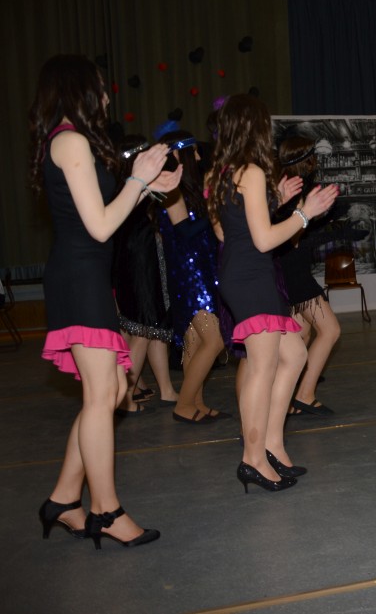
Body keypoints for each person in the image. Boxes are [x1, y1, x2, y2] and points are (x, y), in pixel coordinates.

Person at [30, 54, 180, 548]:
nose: (107, 98)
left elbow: (103, 215)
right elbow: (98, 227)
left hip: (87, 275)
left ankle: (63, 499)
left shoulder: (72, 140)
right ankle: (106, 510)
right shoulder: (70, 140)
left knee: (112, 391)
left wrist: (146, 187)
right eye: (100, 87)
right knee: (102, 395)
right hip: (78, 277)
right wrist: (137, 178)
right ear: (78, 88)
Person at [206, 94, 339, 492]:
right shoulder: (250, 171)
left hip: (241, 273)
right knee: (262, 368)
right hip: (252, 276)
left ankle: (273, 445)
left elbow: (226, 232)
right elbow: (263, 240)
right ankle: (252, 458)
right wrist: (304, 213)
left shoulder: (218, 173)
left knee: (294, 353)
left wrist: (276, 201)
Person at [157, 128, 231, 424]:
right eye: (194, 152)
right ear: (179, 154)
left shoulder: (185, 188)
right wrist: (214, 212)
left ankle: (195, 404)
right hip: (191, 274)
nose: (199, 157)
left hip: (199, 268)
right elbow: (184, 231)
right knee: (215, 340)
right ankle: (184, 404)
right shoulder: (170, 187)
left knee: (196, 341)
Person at [276, 135, 342, 416]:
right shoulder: (294, 188)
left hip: (289, 267)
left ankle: (288, 398)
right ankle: (304, 394)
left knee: (301, 335)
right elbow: (292, 237)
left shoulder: (286, 185)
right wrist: (314, 218)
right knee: (330, 330)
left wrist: (321, 216)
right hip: (292, 269)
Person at [111, 134, 178, 415]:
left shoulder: (125, 187)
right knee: (143, 328)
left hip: (137, 258)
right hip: (139, 260)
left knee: (152, 327)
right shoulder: (133, 187)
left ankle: (166, 389)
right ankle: (125, 395)